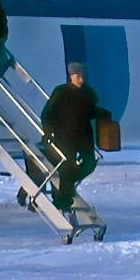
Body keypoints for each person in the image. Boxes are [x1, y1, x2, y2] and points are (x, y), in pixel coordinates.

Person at [41, 62, 111, 210]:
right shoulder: (61, 92)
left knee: (90, 164)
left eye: (82, 76)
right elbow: (47, 114)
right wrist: (48, 133)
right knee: (68, 166)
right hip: (64, 137)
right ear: (70, 76)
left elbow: (89, 111)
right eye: (77, 76)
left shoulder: (87, 93)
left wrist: (103, 114)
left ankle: (66, 188)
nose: (80, 79)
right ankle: (62, 199)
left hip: (83, 137)